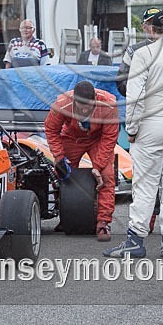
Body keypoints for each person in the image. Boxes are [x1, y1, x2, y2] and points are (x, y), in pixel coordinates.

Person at [104, 10, 163, 259]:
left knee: (145, 185)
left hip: (152, 125)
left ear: (152, 30)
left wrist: (132, 130)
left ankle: (136, 240)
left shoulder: (143, 54)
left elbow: (135, 97)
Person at [44, 81, 119, 241]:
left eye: (88, 105)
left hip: (98, 140)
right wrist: (59, 157)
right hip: (72, 137)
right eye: (81, 106)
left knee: (107, 175)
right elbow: (51, 129)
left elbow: (109, 137)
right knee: (61, 172)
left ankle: (103, 223)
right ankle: (66, 217)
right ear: (73, 101)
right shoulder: (62, 104)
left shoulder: (109, 105)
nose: (84, 109)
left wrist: (98, 166)